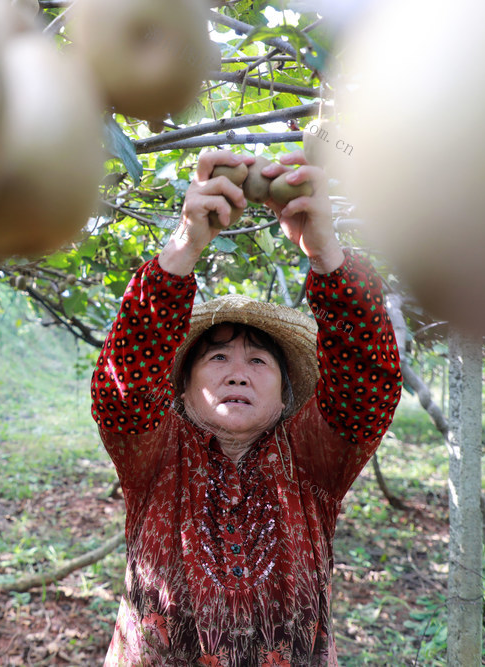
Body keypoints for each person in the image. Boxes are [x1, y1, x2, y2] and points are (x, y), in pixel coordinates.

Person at [91, 149, 403, 665]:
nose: (237, 371)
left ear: (286, 396)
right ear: (183, 392)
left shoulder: (311, 461)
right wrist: (186, 244)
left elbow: (370, 382)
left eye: (258, 360)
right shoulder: (155, 456)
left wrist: (325, 253)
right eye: (217, 357)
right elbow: (120, 390)